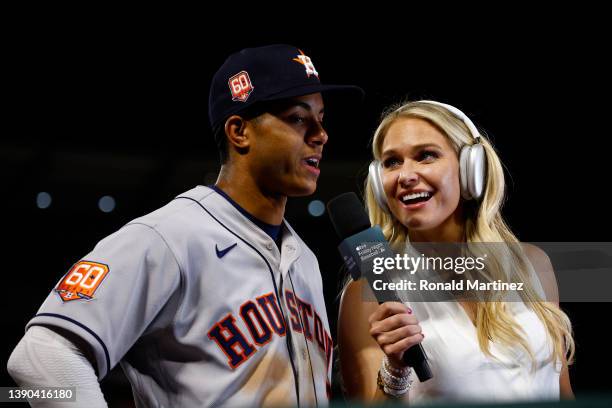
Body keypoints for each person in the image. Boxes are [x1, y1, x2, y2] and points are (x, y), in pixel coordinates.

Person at [7, 44, 363, 407]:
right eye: (298, 118)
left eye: (322, 117)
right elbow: (38, 359)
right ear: (239, 131)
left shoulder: (304, 259)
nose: (321, 134)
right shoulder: (168, 237)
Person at [337, 100, 575, 404]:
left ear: (470, 168)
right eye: (392, 162)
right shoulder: (367, 294)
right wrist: (396, 370)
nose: (405, 175)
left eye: (426, 156)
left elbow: (563, 392)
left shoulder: (533, 264)